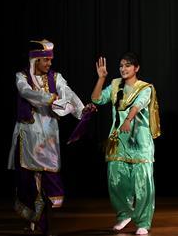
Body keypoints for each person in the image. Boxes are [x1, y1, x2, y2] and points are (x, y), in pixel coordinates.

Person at [10, 40, 89, 234]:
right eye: (45, 60)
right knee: (29, 180)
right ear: (35, 60)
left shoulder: (56, 78)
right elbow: (26, 92)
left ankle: (43, 221)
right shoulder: (22, 77)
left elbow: (67, 93)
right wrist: (49, 98)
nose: (49, 64)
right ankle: (35, 221)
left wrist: (81, 109)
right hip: (28, 136)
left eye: (50, 60)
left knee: (49, 178)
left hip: (48, 137)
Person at [90, 52, 161, 235]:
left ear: (136, 68)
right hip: (118, 140)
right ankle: (124, 214)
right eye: (121, 65)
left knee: (142, 183)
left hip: (139, 141)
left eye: (128, 65)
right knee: (116, 180)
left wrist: (128, 119)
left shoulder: (145, 88)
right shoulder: (115, 85)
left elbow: (139, 104)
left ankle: (143, 222)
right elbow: (97, 99)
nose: (123, 69)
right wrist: (101, 78)